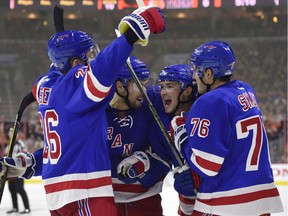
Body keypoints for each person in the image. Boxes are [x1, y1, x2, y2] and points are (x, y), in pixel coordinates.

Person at [0, 5, 166, 215]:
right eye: (89, 54)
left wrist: (30, 162)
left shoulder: (47, 85)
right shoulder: (77, 85)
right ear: (76, 63)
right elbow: (99, 73)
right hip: (84, 191)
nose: (94, 59)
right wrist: (130, 35)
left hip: (58, 195)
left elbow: (68, 145)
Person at [170, 41, 284, 215]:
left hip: (226, 201)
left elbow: (206, 165)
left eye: (196, 70)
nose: (194, 76)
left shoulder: (209, 102)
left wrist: (181, 135)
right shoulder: (246, 90)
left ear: (208, 74)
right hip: (262, 199)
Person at [106, 56, 171, 216]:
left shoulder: (153, 99)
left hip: (147, 202)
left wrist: (146, 164)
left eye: (145, 84)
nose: (144, 90)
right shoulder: (95, 110)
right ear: (120, 86)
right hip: (105, 204)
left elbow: (165, 154)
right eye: (138, 85)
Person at [157, 64, 199, 216]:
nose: (163, 92)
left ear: (187, 91)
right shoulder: (167, 122)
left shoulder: (201, 119)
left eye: (169, 86)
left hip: (215, 203)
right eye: (162, 87)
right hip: (188, 207)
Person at [6, 131, 30, 214]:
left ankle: (27, 208)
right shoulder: (9, 145)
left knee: (20, 189)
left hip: (18, 171)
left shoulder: (20, 144)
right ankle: (15, 207)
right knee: (12, 189)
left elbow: (25, 155)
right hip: (10, 171)